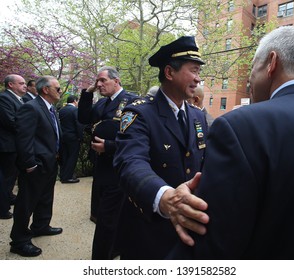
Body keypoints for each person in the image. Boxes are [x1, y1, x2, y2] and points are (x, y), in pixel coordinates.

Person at [167, 26, 294, 259]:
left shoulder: (240, 126)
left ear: (272, 62)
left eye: (253, 67)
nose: (249, 79)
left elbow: (211, 249)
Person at [113, 36, 208, 259]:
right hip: (149, 228)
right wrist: (165, 197)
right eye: (193, 71)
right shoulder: (139, 113)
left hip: (188, 225)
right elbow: (130, 162)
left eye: (199, 73)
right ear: (169, 72)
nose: (198, 79)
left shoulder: (197, 116)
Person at [78, 66, 138, 260]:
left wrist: (110, 146)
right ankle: (115, 249)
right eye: (97, 81)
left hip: (118, 168)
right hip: (101, 167)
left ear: (116, 81)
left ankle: (101, 259)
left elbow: (137, 138)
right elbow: (84, 118)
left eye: (103, 80)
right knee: (106, 215)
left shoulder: (132, 101)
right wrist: (87, 94)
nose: (99, 84)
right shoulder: (102, 103)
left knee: (107, 219)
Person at [10, 75, 63, 257]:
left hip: (50, 163)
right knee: (26, 203)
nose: (61, 91)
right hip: (36, 166)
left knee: (45, 198)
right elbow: (23, 139)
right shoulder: (30, 108)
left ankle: (41, 226)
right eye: (58, 88)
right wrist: (30, 164)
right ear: (45, 89)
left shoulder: (51, 109)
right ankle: (19, 240)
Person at [0, 74, 27, 219]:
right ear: (11, 85)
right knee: (6, 178)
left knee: (11, 177)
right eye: (21, 83)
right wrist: (29, 130)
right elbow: (10, 121)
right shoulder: (4, 98)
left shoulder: (19, 99)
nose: (25, 85)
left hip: (15, 145)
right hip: (8, 146)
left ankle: (8, 198)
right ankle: (2, 209)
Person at [58, 95, 84, 183]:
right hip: (73, 137)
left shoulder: (62, 110)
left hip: (63, 136)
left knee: (65, 156)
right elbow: (78, 124)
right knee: (72, 157)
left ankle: (63, 175)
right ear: (75, 101)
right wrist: (80, 136)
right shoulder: (75, 110)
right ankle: (68, 177)